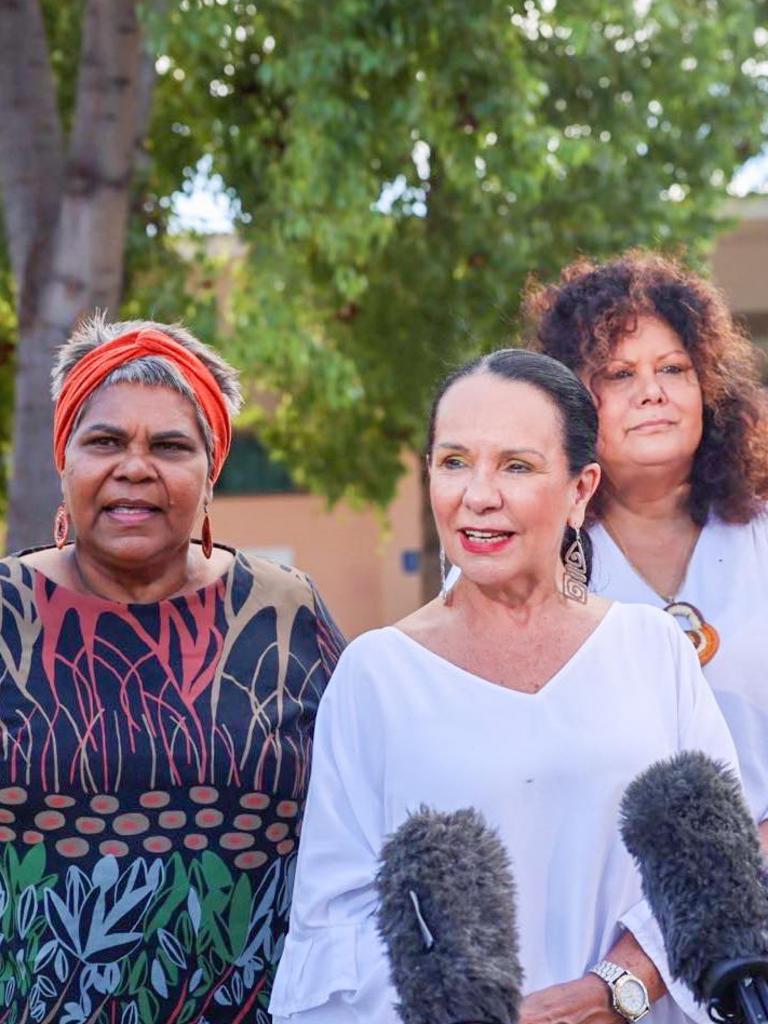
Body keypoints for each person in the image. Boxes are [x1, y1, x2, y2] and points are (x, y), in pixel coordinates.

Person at [269, 349, 739, 1024]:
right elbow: (335, 925)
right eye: (454, 461)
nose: (477, 494)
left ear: (581, 490)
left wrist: (614, 991)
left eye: (516, 465)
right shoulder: (377, 675)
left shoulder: (652, 649)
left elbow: (715, 872)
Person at [0, 316, 344, 1024]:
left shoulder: (286, 615)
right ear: (62, 459)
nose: (134, 467)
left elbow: (364, 819)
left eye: (169, 446)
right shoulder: (7, 619)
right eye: (104, 441)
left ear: (210, 472)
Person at [526, 251, 768, 838]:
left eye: (674, 368)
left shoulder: (760, 532)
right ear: (570, 402)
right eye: (619, 373)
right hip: (598, 914)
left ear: (708, 386)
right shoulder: (529, 554)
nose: (652, 392)